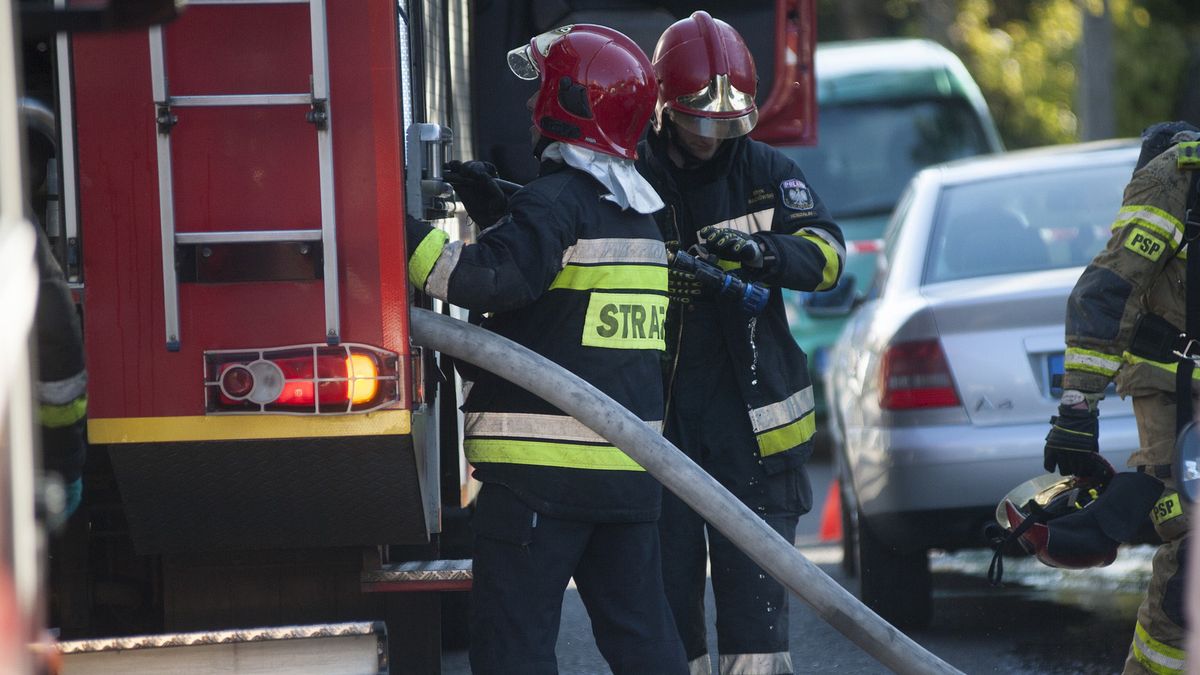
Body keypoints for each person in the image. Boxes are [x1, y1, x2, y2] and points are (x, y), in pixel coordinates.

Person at [405, 23, 687, 675]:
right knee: (643, 641)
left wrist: (397, 226)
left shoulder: (557, 202)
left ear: (565, 102)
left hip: (540, 477)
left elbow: (488, 279)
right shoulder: (637, 217)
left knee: (514, 648)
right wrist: (501, 209)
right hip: (626, 475)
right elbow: (566, 301)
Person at [635, 11, 844, 675]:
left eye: (727, 121)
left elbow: (830, 256)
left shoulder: (766, 173)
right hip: (657, 426)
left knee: (757, 623)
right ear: (666, 106)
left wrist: (763, 252)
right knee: (667, 614)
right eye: (699, 120)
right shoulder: (629, 176)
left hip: (753, 432)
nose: (712, 136)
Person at [1046, 121, 1200, 674]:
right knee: (1189, 569)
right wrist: (1078, 408)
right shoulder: (1181, 178)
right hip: (1181, 402)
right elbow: (1109, 291)